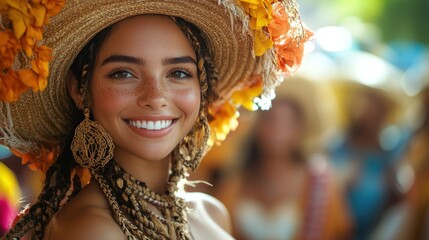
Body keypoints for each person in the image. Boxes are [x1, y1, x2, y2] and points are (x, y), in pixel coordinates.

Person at [0, 0, 312, 239]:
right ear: (79, 90)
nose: (155, 95)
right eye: (123, 73)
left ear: (201, 88)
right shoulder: (91, 229)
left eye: (178, 73)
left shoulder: (211, 213)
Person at [217, 79, 351, 240]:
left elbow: (339, 232)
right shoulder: (235, 178)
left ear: (302, 129)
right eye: (271, 119)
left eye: (289, 122)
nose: (278, 130)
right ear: (257, 124)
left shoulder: (321, 183)